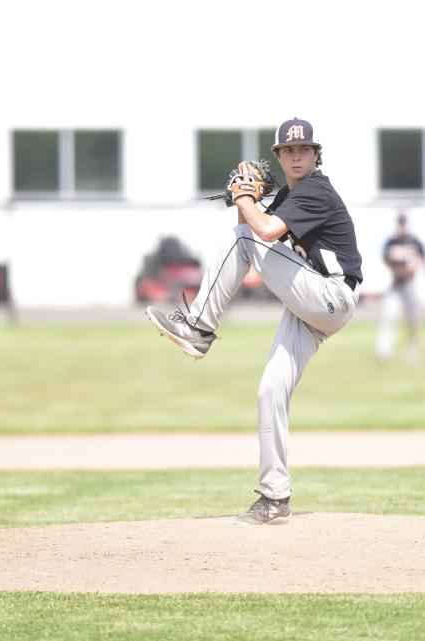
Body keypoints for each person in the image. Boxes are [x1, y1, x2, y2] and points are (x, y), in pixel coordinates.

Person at [146, 117, 363, 526]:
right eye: (289, 150)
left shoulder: (316, 189)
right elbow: (248, 229)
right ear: (279, 157)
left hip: (331, 295)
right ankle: (275, 497)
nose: (297, 156)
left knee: (244, 239)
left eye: (305, 150)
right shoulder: (287, 196)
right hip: (312, 306)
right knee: (270, 390)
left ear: (317, 155)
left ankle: (198, 328)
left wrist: (244, 196)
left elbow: (259, 233)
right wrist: (244, 201)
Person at [376, 212, 425, 362]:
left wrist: (414, 266)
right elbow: (385, 259)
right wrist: (396, 269)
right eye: (400, 222)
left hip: (410, 284)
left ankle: (413, 350)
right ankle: (384, 351)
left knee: (413, 320)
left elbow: (423, 259)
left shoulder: (414, 242)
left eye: (403, 223)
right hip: (396, 284)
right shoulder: (392, 242)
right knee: (388, 316)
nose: (401, 226)